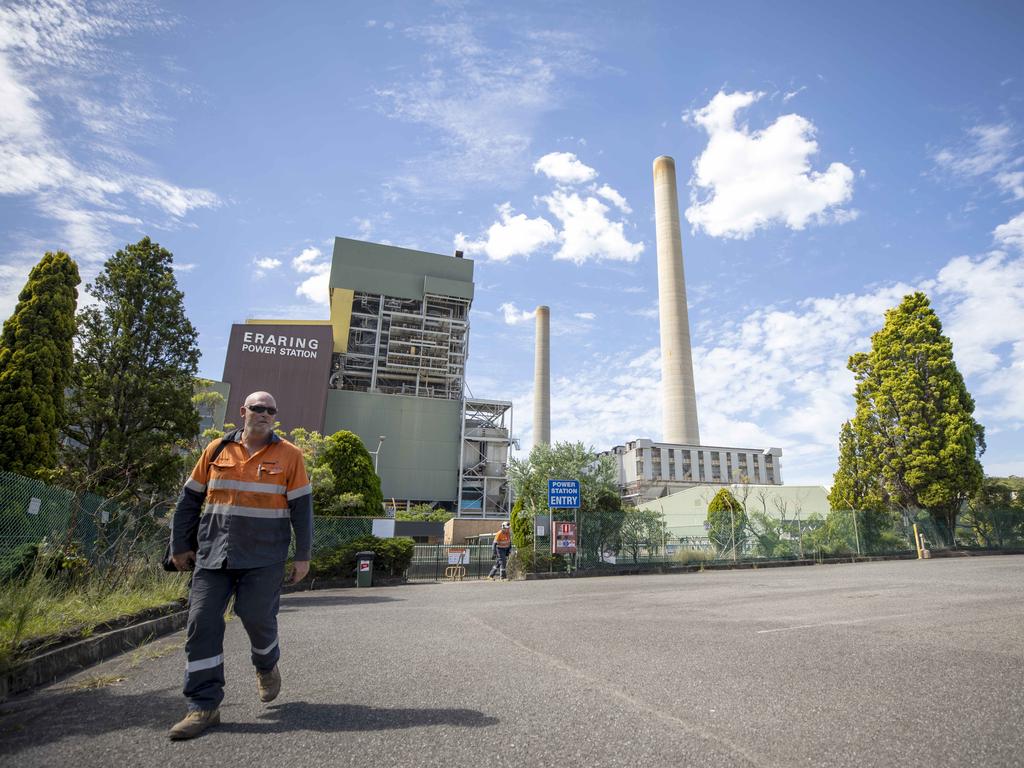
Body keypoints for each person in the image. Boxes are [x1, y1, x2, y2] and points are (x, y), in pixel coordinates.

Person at [167, 391, 313, 740]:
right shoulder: (216, 449)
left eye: (270, 410)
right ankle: (203, 705)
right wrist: (180, 545)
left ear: (275, 416)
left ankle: (266, 665)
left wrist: (303, 555)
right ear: (243, 411)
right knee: (201, 622)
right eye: (258, 408)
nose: (264, 414)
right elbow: (189, 500)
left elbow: (302, 510)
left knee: (256, 616)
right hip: (213, 553)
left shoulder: (290, 456)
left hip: (264, 557)